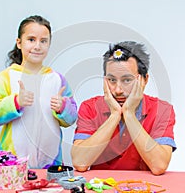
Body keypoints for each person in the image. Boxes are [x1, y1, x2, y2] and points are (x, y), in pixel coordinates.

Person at [0, 15, 77, 169]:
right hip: (14, 165)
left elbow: (72, 118)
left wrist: (63, 107)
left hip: (51, 163)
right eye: (31, 39)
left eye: (43, 41)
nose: (37, 46)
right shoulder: (6, 77)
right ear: (19, 43)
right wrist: (15, 103)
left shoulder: (57, 79)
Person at [71, 41, 176, 175]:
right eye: (112, 80)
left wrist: (129, 114)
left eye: (127, 80)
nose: (118, 90)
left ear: (144, 80)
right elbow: (80, 163)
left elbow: (159, 166)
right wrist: (115, 115)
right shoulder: (89, 107)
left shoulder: (163, 110)